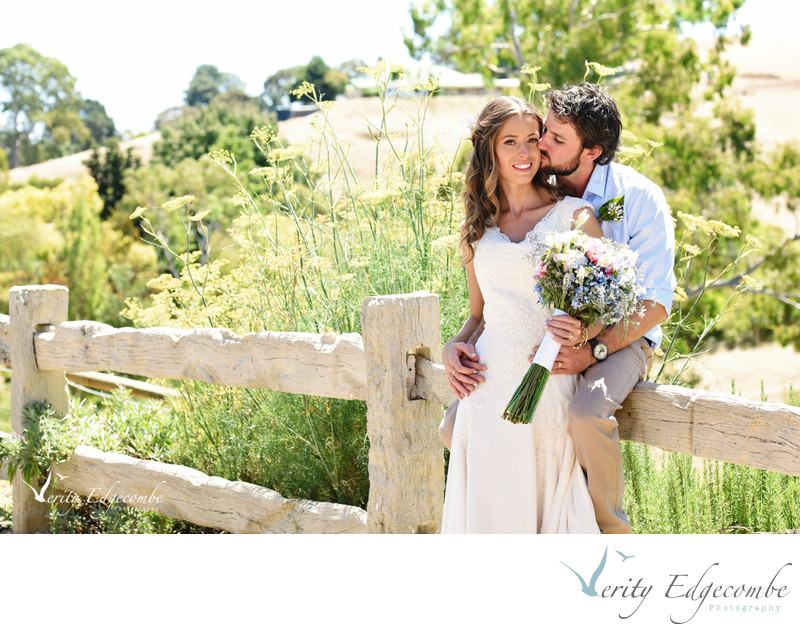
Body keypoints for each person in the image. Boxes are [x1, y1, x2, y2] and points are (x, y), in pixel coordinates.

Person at [443, 84, 676, 535]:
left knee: (583, 416)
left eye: (549, 139)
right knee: (454, 427)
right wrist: (454, 345)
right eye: (539, 134)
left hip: (625, 334)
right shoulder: (529, 190)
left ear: (592, 151)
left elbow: (655, 303)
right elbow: (485, 310)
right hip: (534, 342)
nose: (539, 147)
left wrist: (592, 348)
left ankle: (610, 532)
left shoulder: (635, 199)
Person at [440, 95, 604, 533]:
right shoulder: (477, 229)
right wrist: (451, 347)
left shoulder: (575, 217)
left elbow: (603, 308)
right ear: (489, 148)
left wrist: (582, 330)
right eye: (510, 142)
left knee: (545, 506)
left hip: (547, 383)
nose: (526, 153)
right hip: (486, 390)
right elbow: (478, 316)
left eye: (533, 139)